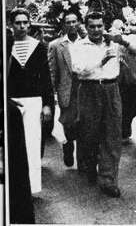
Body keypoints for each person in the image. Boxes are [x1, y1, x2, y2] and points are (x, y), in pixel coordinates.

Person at [70, 11, 136, 198]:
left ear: (104, 25)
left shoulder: (114, 41)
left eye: (100, 26)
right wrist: (101, 61)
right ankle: (90, 164)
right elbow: (79, 70)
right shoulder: (80, 45)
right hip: (89, 90)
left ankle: (108, 179)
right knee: (89, 133)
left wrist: (122, 40)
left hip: (111, 89)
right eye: (92, 26)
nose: (97, 30)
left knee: (113, 134)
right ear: (85, 27)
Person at [7, 7, 53, 194]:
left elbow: (45, 77)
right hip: (12, 101)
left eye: (25, 22)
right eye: (18, 23)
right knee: (13, 145)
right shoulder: (6, 45)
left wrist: (47, 104)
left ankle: (32, 187)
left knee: (32, 144)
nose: (22, 26)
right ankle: (14, 187)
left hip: (34, 101)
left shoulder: (39, 46)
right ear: (11, 24)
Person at [48, 12, 83, 169]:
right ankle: (68, 147)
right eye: (68, 22)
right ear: (64, 25)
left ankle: (83, 159)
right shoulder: (56, 45)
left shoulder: (86, 43)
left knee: (85, 123)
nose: (71, 25)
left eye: (74, 21)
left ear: (79, 23)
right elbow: (52, 71)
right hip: (67, 89)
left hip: (85, 89)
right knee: (69, 123)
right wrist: (52, 92)